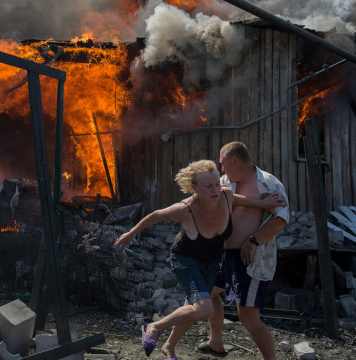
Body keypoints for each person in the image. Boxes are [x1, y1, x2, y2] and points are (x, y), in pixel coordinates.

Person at [114, 159, 281, 359]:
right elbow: (156, 215)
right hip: (186, 261)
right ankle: (155, 327)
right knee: (203, 308)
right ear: (195, 188)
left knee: (195, 307)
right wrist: (131, 233)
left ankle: (175, 346)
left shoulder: (225, 195)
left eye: (217, 184)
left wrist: (262, 203)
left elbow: (238, 199)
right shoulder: (185, 209)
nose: (215, 190)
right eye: (209, 186)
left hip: (212, 263)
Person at [198, 141, 289, 360]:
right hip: (222, 255)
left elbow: (282, 219)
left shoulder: (267, 184)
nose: (222, 169)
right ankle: (216, 342)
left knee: (247, 315)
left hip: (250, 258)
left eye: (223, 164)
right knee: (207, 294)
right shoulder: (224, 182)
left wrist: (253, 241)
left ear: (235, 161)